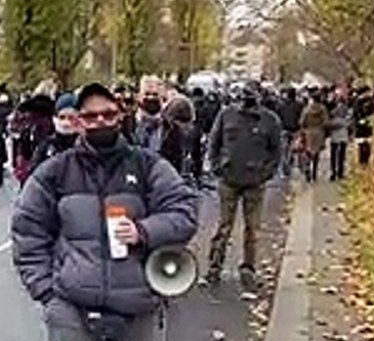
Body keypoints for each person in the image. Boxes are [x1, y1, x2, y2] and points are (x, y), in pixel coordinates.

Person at [12, 82, 202, 341]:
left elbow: (186, 212)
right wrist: (46, 292)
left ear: (122, 116)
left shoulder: (149, 166)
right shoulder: (56, 172)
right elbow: (28, 231)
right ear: (78, 121)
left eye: (108, 115)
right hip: (72, 301)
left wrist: (145, 230)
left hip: (138, 299)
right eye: (91, 116)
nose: (100, 122)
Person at [205, 81, 281, 291]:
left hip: (254, 182)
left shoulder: (269, 120)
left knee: (252, 229)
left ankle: (248, 268)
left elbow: (276, 152)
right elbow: (214, 141)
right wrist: (217, 167)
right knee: (224, 226)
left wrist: (265, 174)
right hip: (229, 179)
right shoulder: (227, 114)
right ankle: (214, 266)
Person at [133, 76, 187, 173]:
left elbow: (178, 164)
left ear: (163, 98)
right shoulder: (126, 126)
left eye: (155, 94)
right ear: (139, 96)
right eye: (147, 94)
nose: (151, 98)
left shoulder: (173, 129)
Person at [299, 91, 329, 182]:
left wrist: (303, 129)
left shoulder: (307, 109)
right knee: (316, 153)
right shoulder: (323, 109)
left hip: (308, 132)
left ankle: (307, 167)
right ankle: (314, 173)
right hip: (319, 132)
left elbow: (301, 122)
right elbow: (326, 122)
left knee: (308, 151)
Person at [326, 90, 352, 182]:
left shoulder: (332, 110)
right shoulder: (347, 111)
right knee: (341, 155)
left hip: (335, 135)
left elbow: (328, 122)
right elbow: (349, 123)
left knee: (334, 154)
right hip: (343, 135)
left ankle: (333, 172)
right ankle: (340, 172)